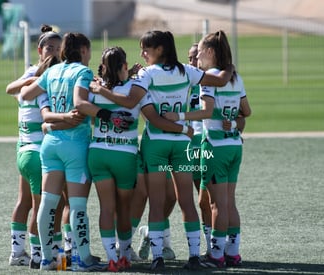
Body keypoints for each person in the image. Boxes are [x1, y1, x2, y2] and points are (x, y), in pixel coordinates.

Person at [89, 30, 234, 271]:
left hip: (155, 143)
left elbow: (130, 103)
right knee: (187, 201)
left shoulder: (147, 74)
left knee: (156, 204)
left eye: (146, 48)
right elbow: (219, 81)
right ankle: (194, 256)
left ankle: (157, 257)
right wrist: (228, 64)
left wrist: (100, 91)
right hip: (182, 144)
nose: (142, 53)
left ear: (160, 49)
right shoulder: (186, 70)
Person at [76, 46, 193, 272]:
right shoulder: (136, 88)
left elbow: (86, 115)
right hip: (125, 155)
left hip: (98, 152)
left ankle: (111, 259)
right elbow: (153, 117)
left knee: (106, 208)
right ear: (123, 66)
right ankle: (124, 254)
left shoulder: (94, 89)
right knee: (124, 208)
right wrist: (183, 128)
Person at [164, 30, 251, 268]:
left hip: (215, 146)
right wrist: (232, 121)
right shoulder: (236, 77)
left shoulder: (209, 78)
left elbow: (206, 111)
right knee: (229, 202)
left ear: (211, 52)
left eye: (200, 51)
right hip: (234, 145)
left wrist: (178, 116)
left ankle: (216, 255)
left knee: (217, 205)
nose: (197, 57)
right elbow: (247, 110)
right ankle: (232, 253)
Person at [20, 32, 106, 271]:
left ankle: (48, 259)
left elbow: (26, 95)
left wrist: (51, 116)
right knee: (78, 205)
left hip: (50, 145)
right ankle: (83, 259)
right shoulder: (82, 72)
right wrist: (105, 113)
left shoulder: (51, 72)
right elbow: (80, 104)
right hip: (75, 146)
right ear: (84, 51)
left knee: (48, 203)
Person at [5, 25, 63, 269]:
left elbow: (11, 89)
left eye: (58, 48)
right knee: (43, 206)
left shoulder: (47, 74)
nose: (54, 52)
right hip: (38, 153)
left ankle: (17, 252)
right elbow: (10, 88)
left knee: (25, 202)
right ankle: (39, 254)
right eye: (50, 47)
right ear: (39, 50)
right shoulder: (40, 77)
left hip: (24, 150)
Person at [187, 42, 212, 258]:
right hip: (182, 149)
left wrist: (234, 125)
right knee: (168, 200)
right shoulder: (182, 83)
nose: (193, 61)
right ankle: (156, 237)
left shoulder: (214, 84)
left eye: (196, 57)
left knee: (204, 200)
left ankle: (211, 247)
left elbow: (239, 113)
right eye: (190, 58)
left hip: (205, 149)